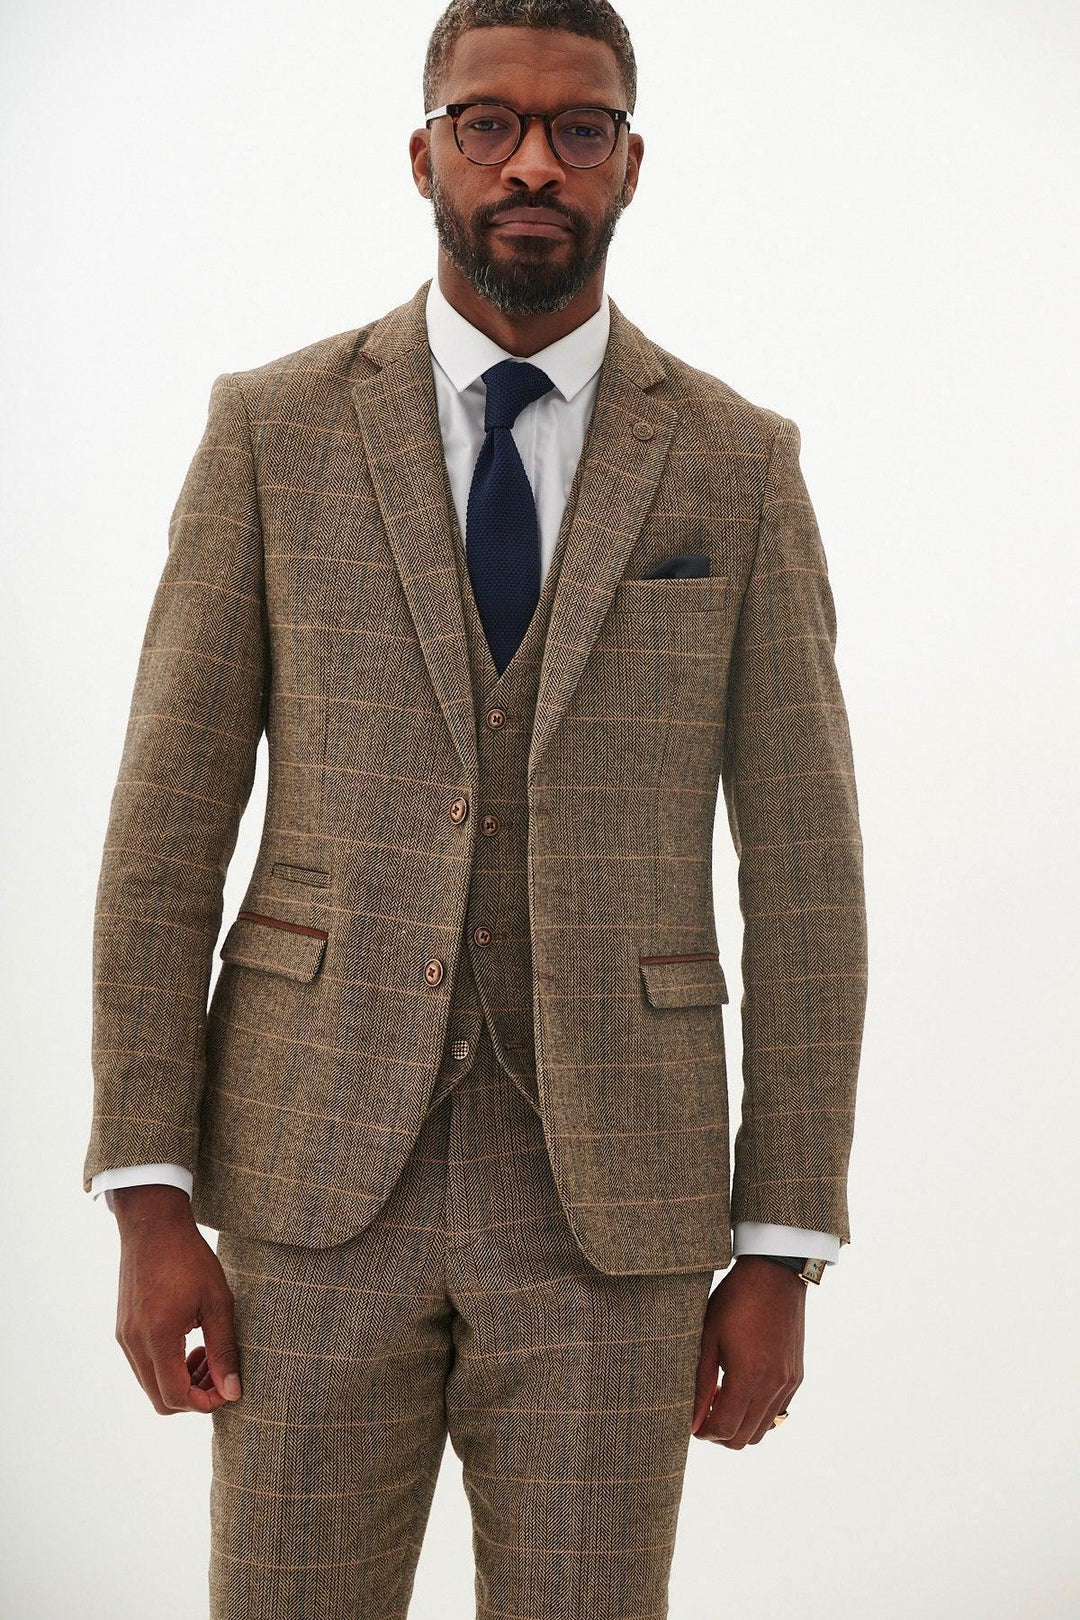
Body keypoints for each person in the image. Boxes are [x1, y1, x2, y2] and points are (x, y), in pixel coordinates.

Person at [83, 2, 868, 1615]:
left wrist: (783, 1243)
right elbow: (164, 834)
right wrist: (148, 1197)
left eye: (579, 128)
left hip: (616, 1208)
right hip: (309, 1176)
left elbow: (806, 877)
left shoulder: (737, 463)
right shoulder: (274, 430)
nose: (531, 163)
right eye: (487, 121)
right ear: (424, 150)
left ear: (630, 163)